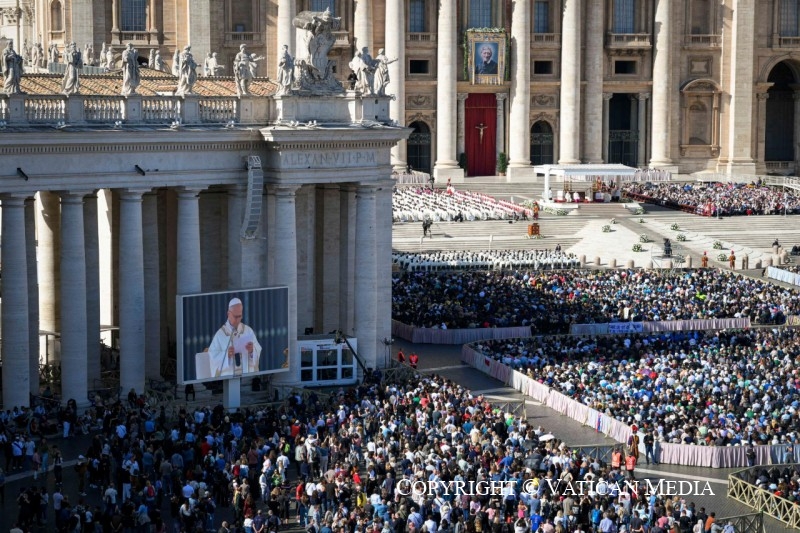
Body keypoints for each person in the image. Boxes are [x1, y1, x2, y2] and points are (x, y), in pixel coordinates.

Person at [208, 297, 262, 377]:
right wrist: (226, 355)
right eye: (235, 316)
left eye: (239, 316)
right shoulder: (220, 335)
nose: (237, 320)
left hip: (247, 378)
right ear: (228, 314)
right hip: (228, 379)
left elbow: (258, 350)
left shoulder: (248, 331)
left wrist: (252, 351)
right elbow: (212, 357)